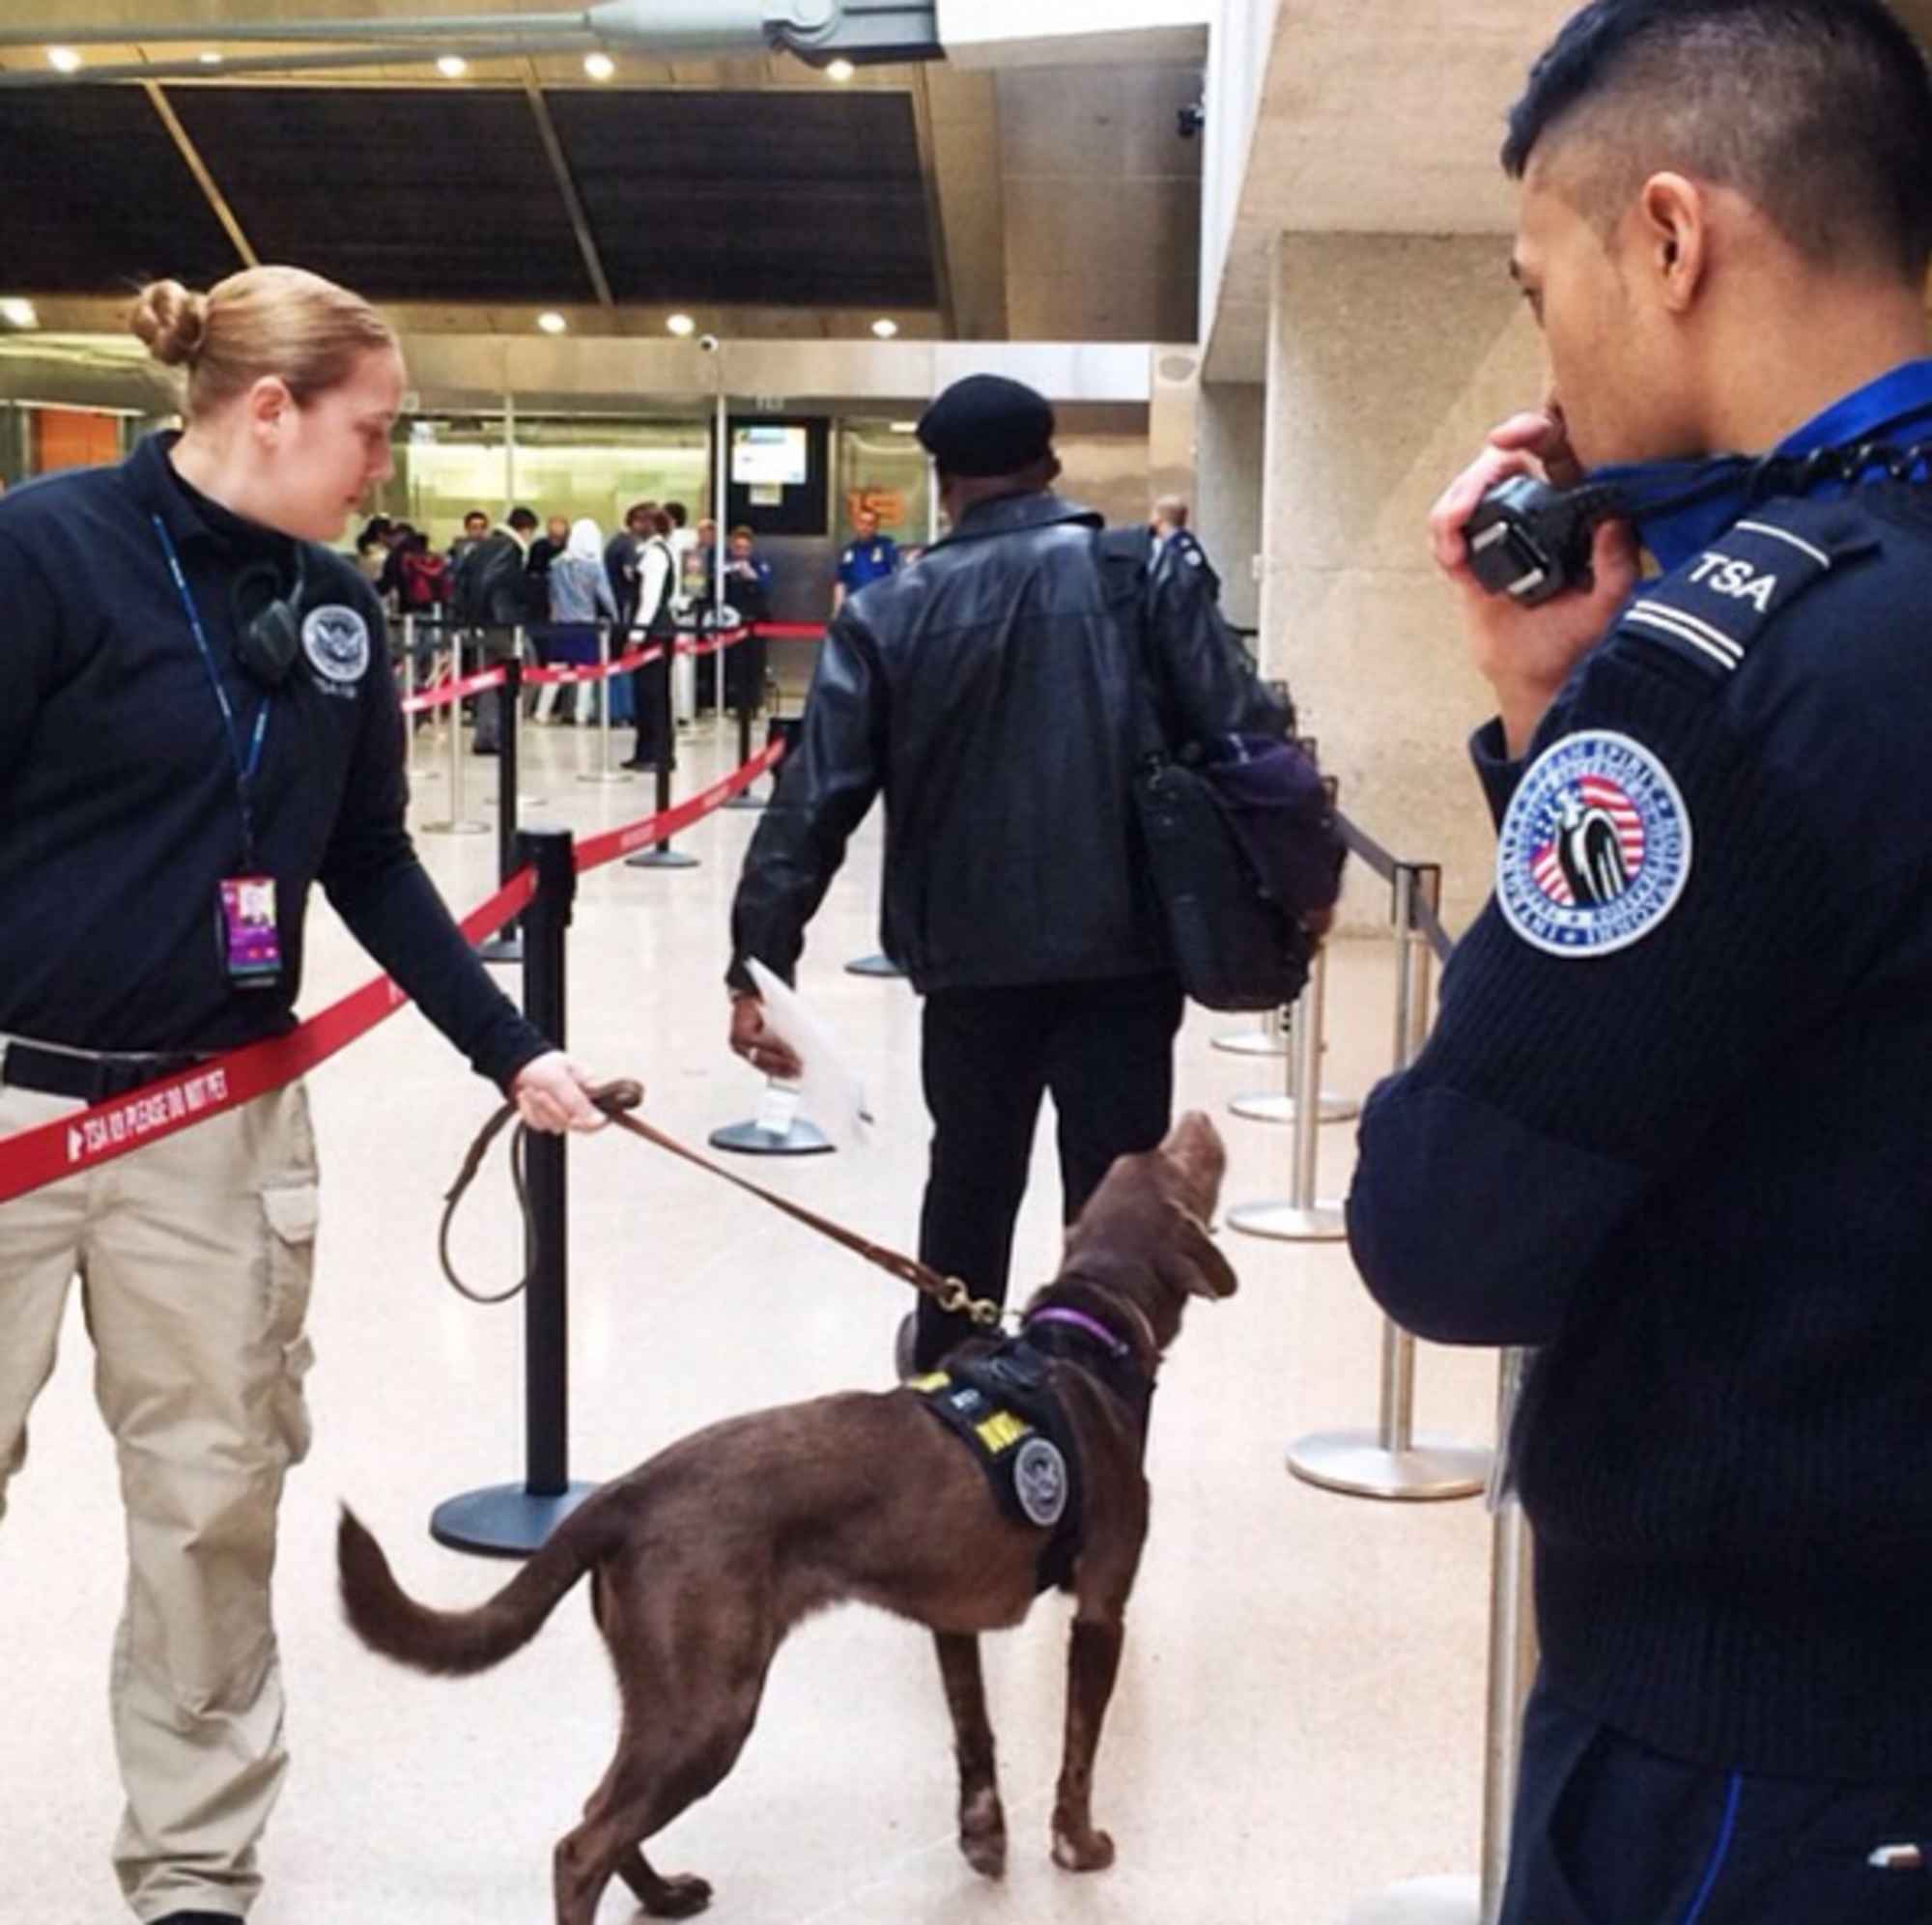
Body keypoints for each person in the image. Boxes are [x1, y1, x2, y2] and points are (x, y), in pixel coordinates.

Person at [1343, 5, 1932, 1919]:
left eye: (1540, 288)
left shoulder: (1734, 671)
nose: (1548, 359)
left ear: (1668, 241)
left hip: (1755, 1735)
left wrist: (1549, 716)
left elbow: (1449, 1225)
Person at [0, 265, 606, 1925]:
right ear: (267, 407)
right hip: (18, 1115)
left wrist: (510, 1045)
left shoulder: (343, 607)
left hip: (215, 1124)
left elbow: (367, 860)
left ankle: (195, 1862)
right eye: (370, 428)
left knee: (211, 1501)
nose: (382, 465)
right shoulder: (41, 552)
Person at [725, 374, 1281, 1370]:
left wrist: (754, 965)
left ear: (942, 482)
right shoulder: (1138, 571)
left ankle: (953, 1410)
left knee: (970, 1185)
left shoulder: (890, 611)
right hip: (1127, 953)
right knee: (1115, 1203)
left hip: (967, 963)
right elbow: (1244, 732)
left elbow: (812, 806)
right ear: (1050, 465)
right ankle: (1100, 1412)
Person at [450, 503, 541, 753]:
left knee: (490, 677)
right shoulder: (510, 550)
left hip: (482, 621)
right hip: (504, 621)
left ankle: (486, 734)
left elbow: (464, 581)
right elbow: (503, 585)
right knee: (528, 670)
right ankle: (505, 729)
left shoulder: (484, 547)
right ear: (525, 529)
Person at [535, 515, 617, 723]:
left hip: (559, 623)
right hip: (585, 623)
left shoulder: (556, 564)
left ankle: (542, 712)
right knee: (586, 671)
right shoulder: (594, 567)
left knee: (554, 669)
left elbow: (550, 594)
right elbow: (605, 595)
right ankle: (581, 713)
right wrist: (616, 616)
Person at [622, 503, 678, 770]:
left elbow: (650, 600)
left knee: (652, 694)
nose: (634, 527)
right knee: (648, 694)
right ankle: (647, 751)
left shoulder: (654, 555)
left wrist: (635, 636)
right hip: (658, 629)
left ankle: (656, 753)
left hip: (653, 632)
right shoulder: (654, 552)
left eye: (639, 522)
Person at [720, 523, 774, 719]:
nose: (741, 552)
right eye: (737, 547)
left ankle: (752, 703)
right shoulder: (723, 566)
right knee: (734, 664)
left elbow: (767, 589)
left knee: (754, 664)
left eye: (745, 548)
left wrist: (752, 577)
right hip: (730, 621)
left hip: (755, 621)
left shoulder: (760, 566)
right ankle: (733, 702)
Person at [832, 502, 900, 610]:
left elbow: (897, 578)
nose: (865, 527)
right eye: (862, 522)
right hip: (856, 609)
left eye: (870, 523)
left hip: (880, 608)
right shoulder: (848, 552)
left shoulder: (887, 546)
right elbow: (841, 584)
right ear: (855, 524)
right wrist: (836, 614)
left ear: (876, 526)